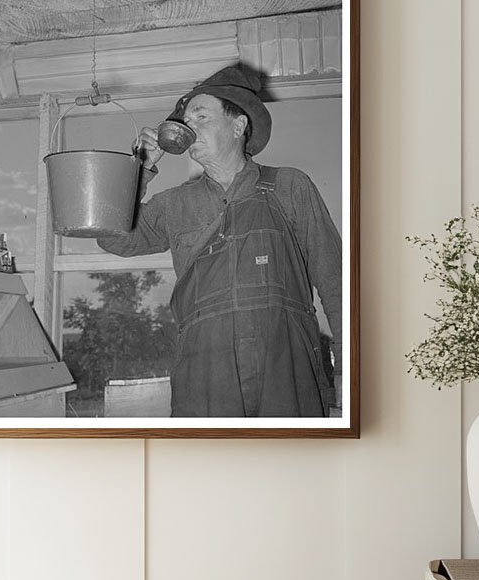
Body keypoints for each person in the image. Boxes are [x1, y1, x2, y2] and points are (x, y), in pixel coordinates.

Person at [97, 63, 342, 417]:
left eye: (201, 117)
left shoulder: (290, 187)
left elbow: (335, 280)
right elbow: (112, 238)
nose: (189, 127)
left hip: (287, 371)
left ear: (238, 125)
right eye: (187, 121)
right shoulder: (175, 204)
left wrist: (349, 368)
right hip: (205, 377)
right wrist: (140, 169)